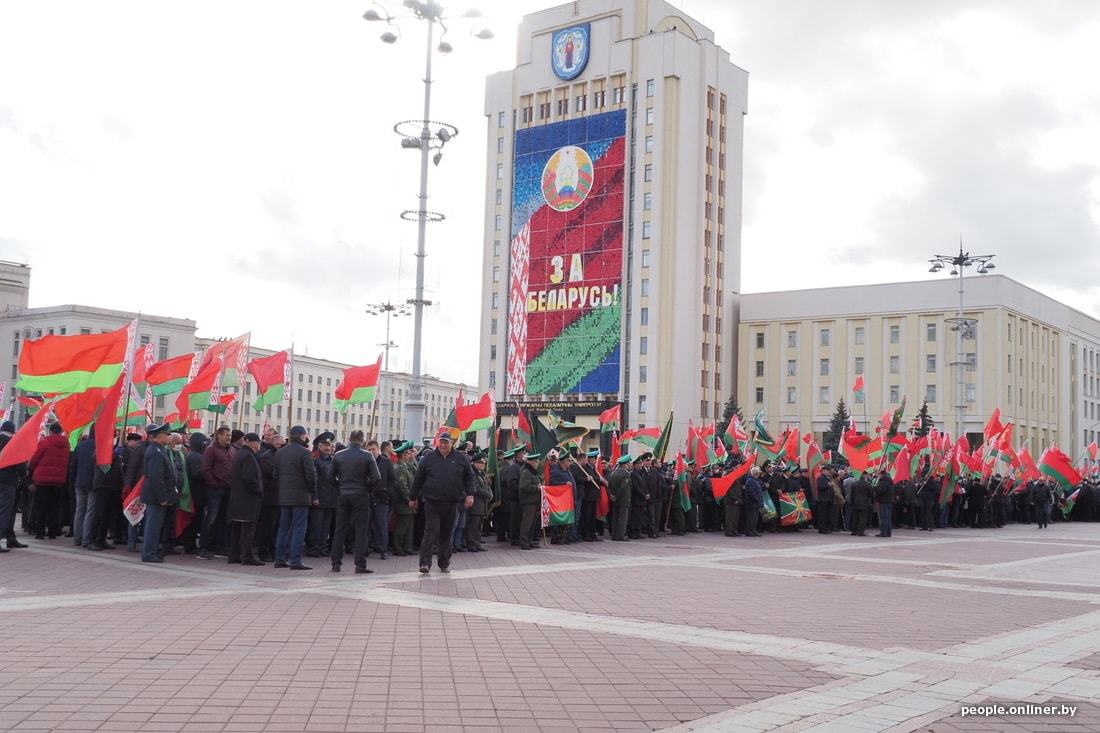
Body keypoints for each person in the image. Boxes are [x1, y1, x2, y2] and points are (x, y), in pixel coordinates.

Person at [410, 433, 475, 573]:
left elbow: (470, 478)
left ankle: (444, 563)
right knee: (431, 531)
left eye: (446, 442)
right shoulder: (429, 458)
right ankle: (424, 563)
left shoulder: (461, 458)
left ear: (451, 443)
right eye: (441, 442)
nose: (443, 445)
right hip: (432, 501)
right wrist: (412, 497)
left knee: (446, 533)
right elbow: (418, 479)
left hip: (452, 502)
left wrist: (470, 495)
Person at [330, 430, 381, 573]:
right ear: (363, 441)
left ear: (349, 439)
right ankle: (360, 564)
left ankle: (335, 563)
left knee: (340, 529)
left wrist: (340, 487)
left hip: (343, 494)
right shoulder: (367, 455)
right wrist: (368, 489)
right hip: (361, 494)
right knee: (361, 529)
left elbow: (330, 476)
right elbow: (377, 478)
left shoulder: (338, 455)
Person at [273, 425, 319, 570]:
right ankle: (295, 560)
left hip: (284, 495)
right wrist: (312, 492)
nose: (306, 438)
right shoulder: (305, 453)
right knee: (299, 528)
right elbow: (311, 476)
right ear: (301, 436)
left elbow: (275, 475)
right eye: (305, 435)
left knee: (283, 527)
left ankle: (279, 558)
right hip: (301, 496)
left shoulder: (280, 453)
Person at [139, 423, 179, 563]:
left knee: (156, 526)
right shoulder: (155, 452)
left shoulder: (159, 449)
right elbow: (156, 477)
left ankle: (152, 551)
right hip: (156, 497)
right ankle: (149, 553)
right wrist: (162, 497)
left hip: (158, 496)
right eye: (166, 434)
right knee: (153, 526)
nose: (168, 437)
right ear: (157, 436)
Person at [227, 433, 264, 565]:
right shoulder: (248, 455)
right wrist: (258, 490)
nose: (259, 445)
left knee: (237, 528)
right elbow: (248, 477)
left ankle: (234, 554)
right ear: (252, 443)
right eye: (258, 442)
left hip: (238, 498)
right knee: (248, 529)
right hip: (247, 498)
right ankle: (247, 556)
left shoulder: (240, 454)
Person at [197, 426, 234, 560]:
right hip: (215, 490)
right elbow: (205, 469)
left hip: (227, 489)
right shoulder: (211, 450)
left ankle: (220, 547)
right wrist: (213, 483)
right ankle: (203, 548)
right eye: (226, 435)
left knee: (223, 520)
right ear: (218, 436)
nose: (229, 437)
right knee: (210, 519)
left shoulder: (232, 450)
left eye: (230, 435)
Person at [28, 422, 69, 540]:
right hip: (58, 481)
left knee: (41, 506)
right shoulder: (66, 444)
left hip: (42, 480)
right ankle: (52, 531)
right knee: (54, 507)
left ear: (50, 431)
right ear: (60, 431)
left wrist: (30, 469)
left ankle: (40, 532)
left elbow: (35, 460)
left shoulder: (44, 442)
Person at [306, 432, 337, 558]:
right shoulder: (315, 460)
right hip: (319, 498)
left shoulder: (334, 460)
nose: (327, 447)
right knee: (316, 525)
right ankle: (313, 548)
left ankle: (322, 548)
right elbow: (314, 480)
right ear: (319, 446)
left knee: (326, 526)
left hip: (331, 497)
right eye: (325, 445)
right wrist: (315, 497)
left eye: (329, 445)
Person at [255, 434, 285, 561]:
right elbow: (273, 474)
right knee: (267, 527)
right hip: (269, 497)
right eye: (281, 444)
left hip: (279, 497)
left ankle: (273, 550)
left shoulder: (279, 456)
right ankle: (264, 552)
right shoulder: (267, 457)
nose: (283, 447)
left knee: (276, 528)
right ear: (275, 444)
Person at [0, 420, 28, 552]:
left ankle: (10, 538)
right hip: (8, 482)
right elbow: (21, 467)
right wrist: (23, 475)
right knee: (6, 511)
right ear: (12, 430)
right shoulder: (14, 443)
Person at [366, 439, 393, 559]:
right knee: (366, 525)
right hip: (367, 498)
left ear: (378, 449)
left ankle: (383, 550)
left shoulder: (386, 462)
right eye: (369, 450)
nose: (371, 452)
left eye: (373, 449)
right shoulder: (364, 462)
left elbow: (393, 480)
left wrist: (387, 493)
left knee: (382, 526)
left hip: (382, 498)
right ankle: (365, 548)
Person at [390, 441, 417, 556]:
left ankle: (408, 547)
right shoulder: (399, 467)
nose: (409, 455)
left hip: (409, 500)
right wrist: (409, 499)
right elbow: (402, 486)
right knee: (402, 526)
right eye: (407, 454)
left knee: (409, 526)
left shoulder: (406, 466)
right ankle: (397, 547)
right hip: (403, 501)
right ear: (403, 455)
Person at [71, 431, 97, 549]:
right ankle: (86, 539)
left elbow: (74, 465)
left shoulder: (80, 445)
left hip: (79, 481)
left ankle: (77, 538)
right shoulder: (99, 446)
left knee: (80, 510)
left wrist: (73, 480)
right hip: (93, 483)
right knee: (90, 511)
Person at [465, 453, 494, 551]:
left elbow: (487, 486)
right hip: (476, 503)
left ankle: (477, 543)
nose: (482, 465)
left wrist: (490, 494)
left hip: (482, 503)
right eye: (480, 463)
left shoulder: (482, 473)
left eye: (483, 463)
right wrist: (487, 495)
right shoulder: (472, 473)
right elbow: (476, 488)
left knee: (479, 525)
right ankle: (471, 544)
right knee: (473, 524)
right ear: (474, 463)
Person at [516, 451, 543, 550]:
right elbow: (523, 487)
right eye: (536, 461)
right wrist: (536, 487)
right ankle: (524, 542)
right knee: (527, 523)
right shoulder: (526, 472)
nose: (538, 463)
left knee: (533, 523)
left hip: (535, 501)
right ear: (531, 462)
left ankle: (530, 540)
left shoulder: (533, 472)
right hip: (528, 501)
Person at [502, 446, 525, 545]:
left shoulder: (523, 466)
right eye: (523, 453)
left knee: (521, 519)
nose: (525, 455)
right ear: (518, 455)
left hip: (522, 498)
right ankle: (514, 538)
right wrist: (521, 489)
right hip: (515, 497)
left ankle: (520, 537)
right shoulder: (514, 467)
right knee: (515, 519)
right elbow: (511, 483)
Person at [608, 454, 632, 541]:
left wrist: (612, 495)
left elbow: (609, 486)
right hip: (623, 500)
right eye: (628, 464)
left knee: (615, 518)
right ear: (625, 464)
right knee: (622, 518)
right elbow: (624, 487)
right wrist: (617, 496)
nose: (629, 465)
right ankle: (621, 535)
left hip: (614, 499)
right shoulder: (626, 474)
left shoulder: (612, 473)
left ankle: (614, 535)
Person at [742, 467, 764, 537]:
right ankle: (749, 531)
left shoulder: (755, 480)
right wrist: (757, 499)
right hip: (751, 503)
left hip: (755, 503)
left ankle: (753, 530)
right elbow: (751, 492)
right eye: (759, 473)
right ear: (756, 473)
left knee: (755, 518)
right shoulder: (750, 481)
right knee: (751, 518)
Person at [874, 469, 895, 538]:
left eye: (879, 474)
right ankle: (888, 533)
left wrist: (875, 488)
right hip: (890, 501)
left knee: (883, 518)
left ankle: (883, 533)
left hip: (884, 502)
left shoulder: (883, 482)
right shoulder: (890, 481)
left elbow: (880, 491)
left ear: (881, 475)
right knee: (888, 518)